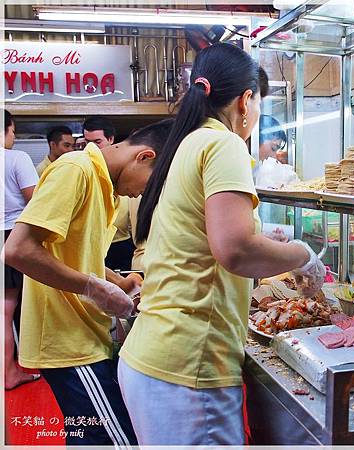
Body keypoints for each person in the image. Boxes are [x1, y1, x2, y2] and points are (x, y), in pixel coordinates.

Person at [118, 43, 325, 446]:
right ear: (246, 101)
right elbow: (234, 250)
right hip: (188, 364)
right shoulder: (224, 144)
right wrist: (302, 255)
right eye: (259, 104)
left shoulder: (186, 144)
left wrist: (260, 237)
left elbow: (200, 236)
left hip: (157, 355)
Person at [4, 119, 173, 446]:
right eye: (150, 185)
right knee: (117, 441)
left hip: (86, 335)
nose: (142, 194)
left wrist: (119, 282)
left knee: (90, 439)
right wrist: (93, 288)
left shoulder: (104, 187)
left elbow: (69, 253)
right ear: (144, 156)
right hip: (69, 341)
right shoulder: (76, 170)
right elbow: (18, 249)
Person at [1, 109, 41, 390]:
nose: (14, 138)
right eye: (13, 132)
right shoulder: (16, 158)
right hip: (10, 235)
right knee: (6, 310)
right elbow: (36, 201)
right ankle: (10, 374)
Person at [83, 116, 136, 271]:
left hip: (122, 241)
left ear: (111, 139)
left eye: (97, 142)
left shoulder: (125, 166)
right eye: (87, 142)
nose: (91, 148)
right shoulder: (83, 168)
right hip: (94, 243)